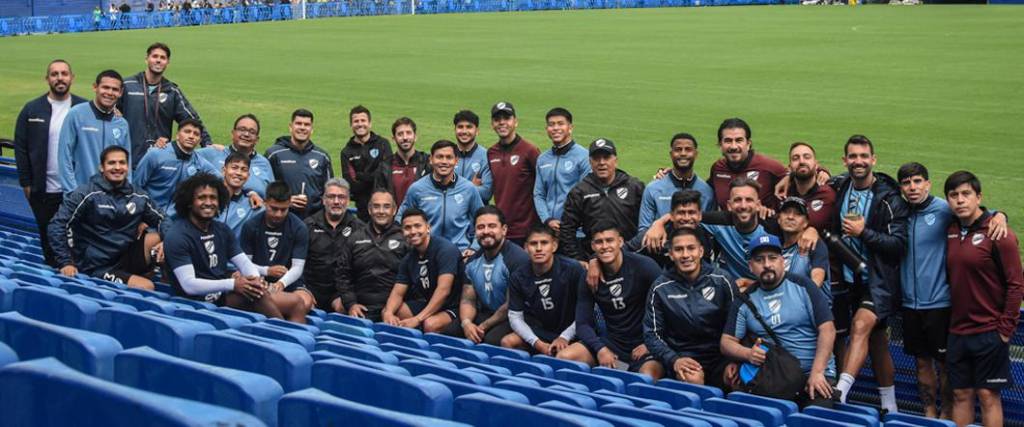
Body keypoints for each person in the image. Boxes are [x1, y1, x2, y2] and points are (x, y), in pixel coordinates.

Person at [831, 135, 906, 414]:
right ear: (845, 161)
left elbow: (898, 246)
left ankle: (840, 393)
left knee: (861, 326)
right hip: (849, 281)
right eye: (853, 156)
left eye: (864, 156)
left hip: (878, 281)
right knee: (876, 341)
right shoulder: (839, 186)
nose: (858, 162)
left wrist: (865, 233)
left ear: (873, 159)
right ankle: (891, 406)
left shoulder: (888, 198)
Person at [944, 171, 1023, 427]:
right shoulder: (952, 229)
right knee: (960, 394)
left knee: (988, 396)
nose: (960, 200)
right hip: (957, 331)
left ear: (979, 197)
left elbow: (1016, 284)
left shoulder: (1000, 234)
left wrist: (1004, 330)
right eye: (953, 195)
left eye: (966, 194)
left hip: (989, 331)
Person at [721, 234, 837, 407]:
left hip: (814, 374)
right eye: (759, 260)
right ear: (751, 266)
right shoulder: (744, 300)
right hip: (775, 377)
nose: (767, 265)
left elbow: (828, 329)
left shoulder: (804, 286)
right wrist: (747, 354)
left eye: (772, 258)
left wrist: (818, 372)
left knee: (816, 417)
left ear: (783, 261)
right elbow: (726, 342)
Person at [163, 173, 280, 318]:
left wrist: (254, 278)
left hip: (221, 296)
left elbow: (243, 262)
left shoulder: (222, 229)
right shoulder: (177, 235)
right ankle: (288, 338)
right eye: (201, 198)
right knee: (259, 297)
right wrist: (233, 284)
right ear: (189, 202)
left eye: (213, 198)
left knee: (296, 302)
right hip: (195, 304)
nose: (208, 202)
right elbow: (189, 285)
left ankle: (290, 334)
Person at [558, 222, 664, 378]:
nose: (605, 246)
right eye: (599, 242)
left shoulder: (644, 266)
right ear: (593, 246)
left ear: (620, 242)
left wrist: (652, 344)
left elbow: (668, 309)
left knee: (646, 376)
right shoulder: (589, 277)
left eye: (609, 240)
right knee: (564, 358)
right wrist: (600, 348)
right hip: (613, 344)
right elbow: (582, 324)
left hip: (645, 343)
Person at [49, 146, 163, 290]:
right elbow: (57, 225)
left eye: (122, 163)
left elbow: (163, 220)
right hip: (97, 265)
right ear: (101, 168)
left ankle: (173, 283)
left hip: (124, 257)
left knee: (161, 237)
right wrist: (66, 262)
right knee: (147, 286)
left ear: (127, 167)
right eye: (112, 163)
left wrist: (165, 241)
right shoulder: (86, 194)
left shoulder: (138, 195)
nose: (117, 167)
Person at [14, 59, 88, 266]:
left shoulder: (84, 108)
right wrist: (26, 184)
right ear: (47, 79)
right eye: (54, 74)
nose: (60, 78)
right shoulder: (32, 109)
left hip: (76, 190)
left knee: (78, 242)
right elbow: (21, 147)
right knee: (50, 242)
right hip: (44, 191)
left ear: (72, 78)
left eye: (64, 73)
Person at [644, 228, 737, 386]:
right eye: (679, 250)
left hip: (720, 356)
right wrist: (674, 359)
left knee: (739, 379)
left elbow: (739, 324)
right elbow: (651, 334)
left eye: (691, 248)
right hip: (681, 355)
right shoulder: (660, 287)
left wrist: (735, 358)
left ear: (701, 251)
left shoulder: (722, 280)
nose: (686, 255)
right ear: (671, 254)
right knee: (691, 378)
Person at [119, 42, 211, 167]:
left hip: (159, 157)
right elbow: (109, 112)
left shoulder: (171, 91)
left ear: (167, 63)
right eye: (155, 56)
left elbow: (191, 119)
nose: (158, 60)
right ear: (147, 59)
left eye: (163, 58)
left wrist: (207, 144)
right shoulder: (127, 85)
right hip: (128, 157)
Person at [450, 206, 528, 344]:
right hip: (487, 313)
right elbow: (468, 300)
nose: (486, 231)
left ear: (504, 230)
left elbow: (511, 305)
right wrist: (467, 324)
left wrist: (483, 326)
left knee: (489, 341)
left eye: (492, 226)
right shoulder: (472, 261)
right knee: (451, 333)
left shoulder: (517, 259)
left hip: (516, 317)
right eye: (480, 227)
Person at [559, 138, 644, 262]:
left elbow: (647, 224)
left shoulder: (634, 186)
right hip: (595, 259)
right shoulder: (579, 192)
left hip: (632, 256)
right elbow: (567, 230)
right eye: (596, 158)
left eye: (606, 157)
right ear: (590, 162)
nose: (601, 162)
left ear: (616, 161)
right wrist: (579, 259)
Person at [239, 181, 313, 323]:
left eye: (283, 209)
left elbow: (297, 267)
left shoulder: (299, 227)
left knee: (304, 301)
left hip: (289, 282)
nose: (278, 214)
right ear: (265, 202)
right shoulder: (251, 226)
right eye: (274, 208)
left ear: (289, 205)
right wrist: (266, 271)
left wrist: (281, 284)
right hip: (258, 280)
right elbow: (244, 264)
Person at [503, 224, 582, 355]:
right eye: (534, 244)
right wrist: (537, 343)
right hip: (543, 332)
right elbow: (515, 317)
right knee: (507, 342)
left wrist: (564, 337)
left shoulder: (573, 269)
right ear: (526, 248)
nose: (539, 248)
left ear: (554, 246)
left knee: (563, 355)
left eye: (544, 243)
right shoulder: (518, 276)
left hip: (574, 332)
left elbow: (586, 312)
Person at [381, 208, 463, 333]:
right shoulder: (408, 259)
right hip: (429, 303)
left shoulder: (445, 250)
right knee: (391, 311)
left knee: (430, 324)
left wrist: (417, 319)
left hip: (455, 306)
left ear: (428, 228)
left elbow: (443, 290)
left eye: (417, 226)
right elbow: (397, 292)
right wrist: (388, 313)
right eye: (407, 228)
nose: (413, 231)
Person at [398, 140, 484, 251]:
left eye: (449, 157)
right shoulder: (417, 189)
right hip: (427, 254)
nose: (444, 161)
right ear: (431, 160)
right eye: (439, 157)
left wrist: (474, 248)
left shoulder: (468, 189)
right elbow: (400, 219)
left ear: (456, 161)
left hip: (460, 254)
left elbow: (482, 221)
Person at [336, 189, 406, 320]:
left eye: (386, 207)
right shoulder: (355, 237)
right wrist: (351, 304)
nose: (381, 211)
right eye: (376, 206)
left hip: (394, 307)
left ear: (394, 210)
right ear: (369, 210)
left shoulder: (405, 238)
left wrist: (393, 308)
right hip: (361, 306)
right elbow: (343, 274)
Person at [58, 69, 132, 193]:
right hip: (82, 196)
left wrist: (125, 193)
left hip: (111, 199)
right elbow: (64, 156)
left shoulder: (122, 124)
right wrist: (72, 192)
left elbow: (127, 162)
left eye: (114, 89)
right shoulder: (76, 114)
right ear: (95, 87)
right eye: (105, 87)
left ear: (121, 92)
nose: (109, 92)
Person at [303, 178, 364, 311]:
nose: (336, 201)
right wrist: (303, 289)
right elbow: (296, 261)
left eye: (341, 197)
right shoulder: (307, 225)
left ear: (348, 201)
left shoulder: (360, 229)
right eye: (331, 197)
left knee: (343, 307)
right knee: (302, 303)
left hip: (341, 292)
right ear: (324, 200)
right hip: (311, 288)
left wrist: (349, 296)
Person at [487, 102, 541, 245]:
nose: (502, 123)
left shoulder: (530, 150)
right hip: (502, 229)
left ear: (515, 122)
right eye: (497, 119)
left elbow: (543, 186)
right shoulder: (491, 153)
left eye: (507, 118)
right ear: (492, 124)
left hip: (526, 231)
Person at [639, 133, 715, 234]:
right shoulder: (653, 189)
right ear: (671, 154)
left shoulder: (707, 191)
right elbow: (643, 229)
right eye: (678, 149)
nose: (683, 153)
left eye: (688, 149)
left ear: (696, 154)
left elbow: (710, 230)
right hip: (661, 247)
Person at [133, 119, 215, 212]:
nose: (191, 136)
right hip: (150, 214)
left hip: (178, 219)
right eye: (187, 132)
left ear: (199, 140)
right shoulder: (155, 154)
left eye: (196, 134)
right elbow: (136, 187)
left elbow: (221, 180)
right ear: (177, 135)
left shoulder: (200, 163)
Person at [533, 107, 590, 235]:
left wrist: (569, 223)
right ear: (547, 129)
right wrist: (547, 219)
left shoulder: (584, 156)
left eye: (560, 123)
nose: (555, 128)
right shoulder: (543, 159)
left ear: (570, 128)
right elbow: (539, 194)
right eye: (551, 124)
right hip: (549, 228)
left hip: (575, 231)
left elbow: (586, 195)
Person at [265, 109, 332, 218]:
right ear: (290, 127)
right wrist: (285, 200)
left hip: (314, 220)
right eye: (298, 123)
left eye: (307, 124)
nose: (302, 127)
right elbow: (265, 187)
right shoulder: (274, 154)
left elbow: (329, 191)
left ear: (312, 129)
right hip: (281, 217)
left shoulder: (322, 156)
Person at [708, 118, 787, 210]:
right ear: (720, 145)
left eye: (739, 140)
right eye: (728, 141)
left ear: (748, 144)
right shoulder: (717, 168)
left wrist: (790, 176)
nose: (734, 146)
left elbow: (796, 181)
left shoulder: (769, 167)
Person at [627, 189, 717, 268]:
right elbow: (622, 253)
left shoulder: (707, 236)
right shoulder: (653, 236)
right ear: (671, 215)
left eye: (691, 212)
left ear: (700, 215)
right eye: (681, 213)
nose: (686, 218)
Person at [195, 113, 274, 197]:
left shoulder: (264, 163)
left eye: (252, 132)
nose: (246, 134)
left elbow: (272, 197)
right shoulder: (213, 153)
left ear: (257, 139)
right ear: (233, 133)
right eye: (242, 129)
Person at [339, 105, 392, 221]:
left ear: (370, 123)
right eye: (356, 121)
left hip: (384, 205)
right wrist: (374, 177)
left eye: (363, 120)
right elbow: (352, 185)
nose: (360, 124)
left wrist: (361, 176)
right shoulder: (346, 152)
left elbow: (386, 175)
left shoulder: (383, 144)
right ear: (351, 125)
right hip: (363, 208)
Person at [778, 197, 829, 290]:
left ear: (806, 223)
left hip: (810, 302)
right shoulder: (775, 246)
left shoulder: (814, 244)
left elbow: (816, 282)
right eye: (786, 212)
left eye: (797, 214)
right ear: (779, 219)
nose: (790, 217)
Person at [784, 142, 836, 231]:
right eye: (795, 158)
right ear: (789, 168)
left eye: (807, 157)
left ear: (816, 165)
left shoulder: (829, 194)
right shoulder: (783, 192)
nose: (802, 161)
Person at [384, 117, 430, 206]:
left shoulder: (426, 163)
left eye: (408, 133)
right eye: (400, 134)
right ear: (394, 139)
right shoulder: (385, 166)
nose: (405, 138)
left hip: (421, 219)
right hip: (395, 219)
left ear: (415, 137)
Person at [217, 151, 261, 237]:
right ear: (223, 170)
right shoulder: (209, 198)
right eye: (234, 167)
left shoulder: (253, 204)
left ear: (248, 176)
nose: (238, 173)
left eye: (244, 170)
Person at [452, 110, 492, 202]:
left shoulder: (486, 156)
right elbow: (437, 190)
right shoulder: (446, 155)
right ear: (455, 130)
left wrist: (452, 188)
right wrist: (471, 186)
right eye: (460, 127)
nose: (464, 131)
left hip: (475, 215)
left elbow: (486, 193)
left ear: (477, 131)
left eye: (469, 127)